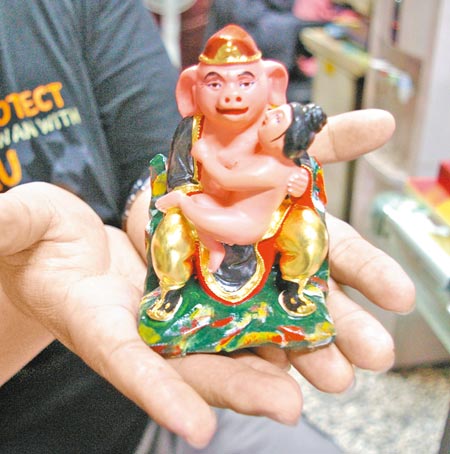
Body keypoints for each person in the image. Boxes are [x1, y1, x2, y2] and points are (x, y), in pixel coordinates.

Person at [0, 2, 415, 453]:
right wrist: (22, 298)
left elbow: (146, 151)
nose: (231, 97)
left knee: (306, 234)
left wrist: (287, 173)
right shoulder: (196, 134)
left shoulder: (271, 136)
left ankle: (293, 292)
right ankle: (176, 295)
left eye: (245, 83)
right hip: (31, 418)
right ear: (194, 90)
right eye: (216, 84)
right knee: (173, 234)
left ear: (272, 84)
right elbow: (179, 179)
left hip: (249, 238)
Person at [155, 102, 324, 273]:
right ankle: (215, 248)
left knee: (194, 212)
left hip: (245, 224)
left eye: (278, 118)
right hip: (229, 208)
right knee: (199, 200)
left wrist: (206, 157)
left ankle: (181, 201)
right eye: (274, 112)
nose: (268, 115)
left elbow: (227, 180)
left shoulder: (272, 168)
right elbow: (237, 167)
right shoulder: (262, 153)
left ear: (286, 140)